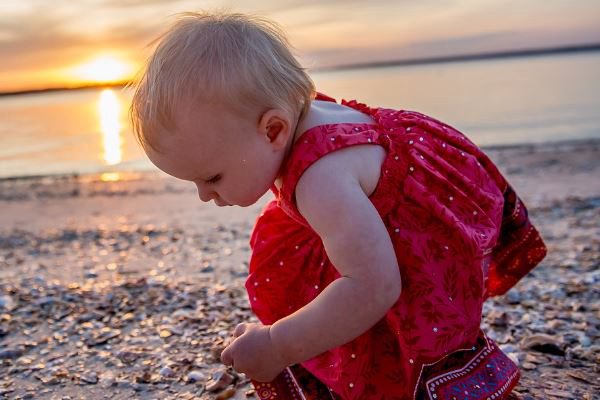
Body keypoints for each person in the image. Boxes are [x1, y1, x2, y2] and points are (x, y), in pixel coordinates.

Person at [129, 11, 547, 400]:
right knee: (303, 262)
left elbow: (373, 286)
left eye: (212, 177)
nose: (204, 195)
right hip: (389, 205)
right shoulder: (298, 120)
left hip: (423, 233)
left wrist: (278, 346)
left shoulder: (321, 179)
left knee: (372, 301)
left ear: (273, 130)